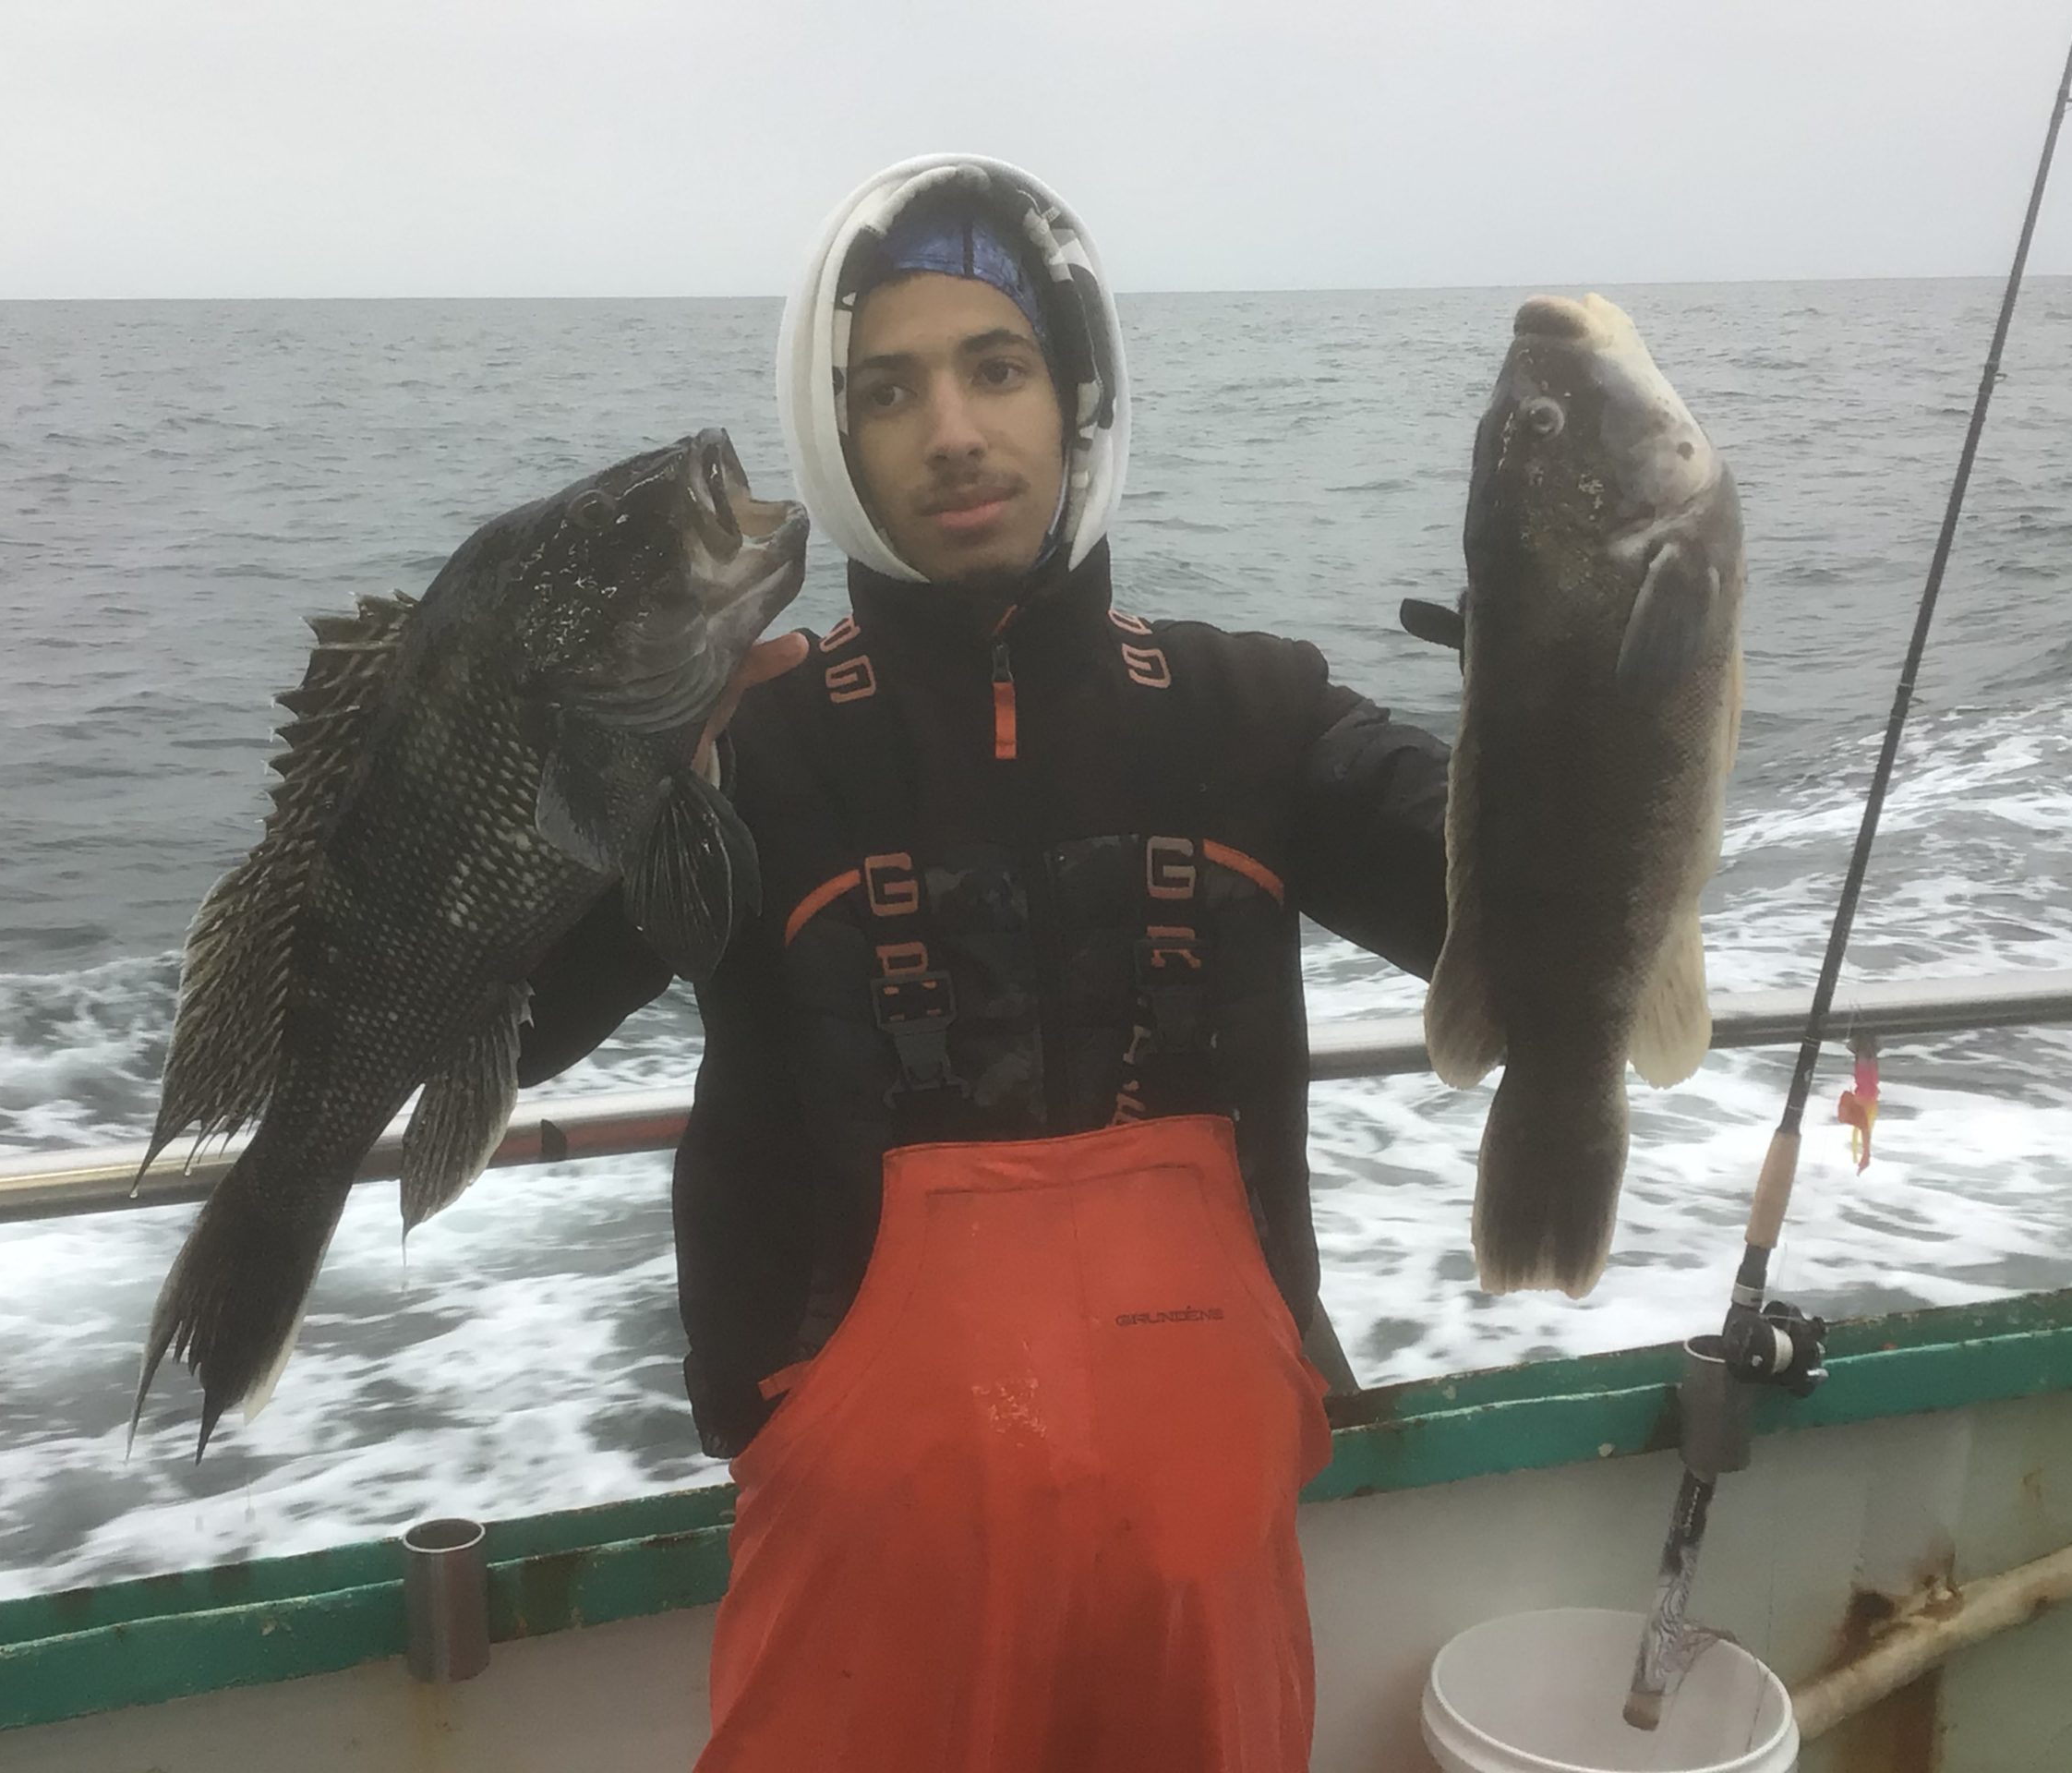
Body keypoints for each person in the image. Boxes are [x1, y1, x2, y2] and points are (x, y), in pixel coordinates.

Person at [518, 152, 1452, 1773]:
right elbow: (510, 1026)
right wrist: (601, 787)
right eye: (891, 389)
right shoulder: (751, 758)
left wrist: (1580, 714)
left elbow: (1524, 922)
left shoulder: (1257, 711)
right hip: (861, 1581)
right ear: (839, 437)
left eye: (998, 368)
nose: (953, 430)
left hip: (1199, 1573)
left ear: (1077, 397)